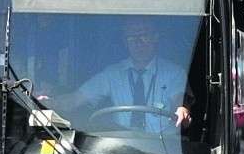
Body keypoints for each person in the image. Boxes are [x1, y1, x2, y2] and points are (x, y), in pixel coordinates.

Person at [52, 16, 193, 131]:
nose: (138, 43)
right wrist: (48, 102)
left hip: (164, 151)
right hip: (122, 150)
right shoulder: (112, 74)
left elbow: (180, 102)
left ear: (155, 37)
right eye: (131, 38)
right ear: (125, 43)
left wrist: (182, 111)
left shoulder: (174, 73)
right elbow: (75, 100)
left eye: (144, 35)